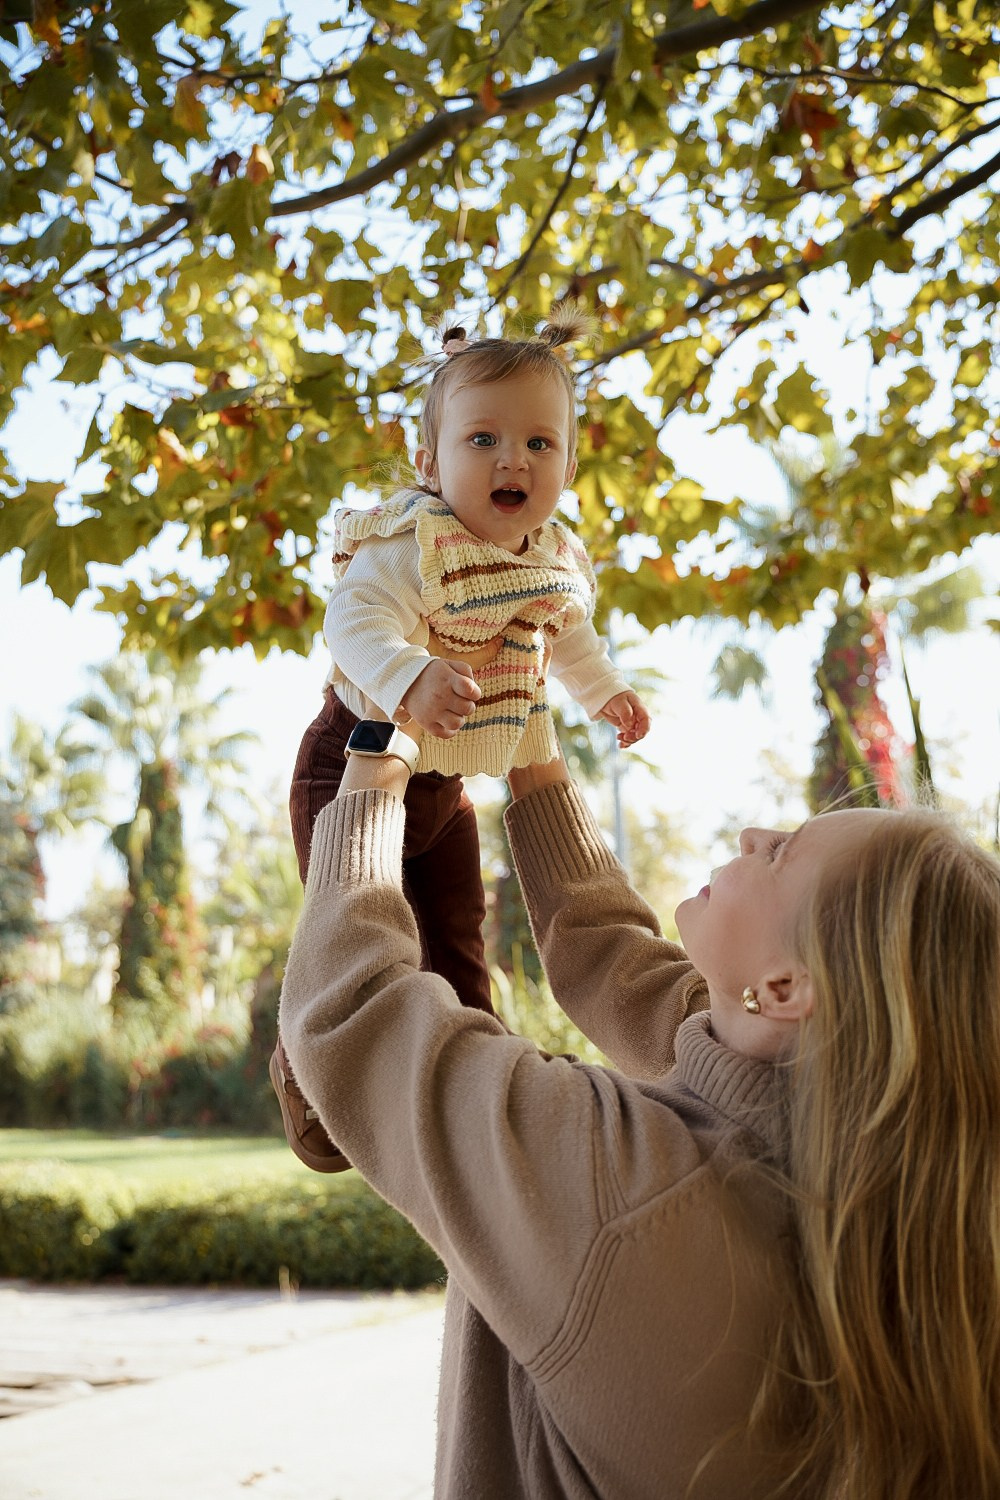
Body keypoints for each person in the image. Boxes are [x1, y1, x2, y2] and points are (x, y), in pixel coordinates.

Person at [276, 725, 1000, 1499]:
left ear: (787, 988)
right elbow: (618, 962)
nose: (756, 835)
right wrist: (525, 738)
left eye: (782, 853)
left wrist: (377, 750)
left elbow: (354, 1017)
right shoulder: (851, 1158)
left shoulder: (631, 1201)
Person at [270, 312, 651, 1171]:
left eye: (539, 443)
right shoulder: (416, 544)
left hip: (445, 790)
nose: (513, 459)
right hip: (351, 769)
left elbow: (570, 639)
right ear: (430, 464)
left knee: (456, 938)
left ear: (568, 467)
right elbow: (352, 619)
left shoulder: (550, 560)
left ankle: (477, 1090)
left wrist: (606, 692)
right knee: (350, 934)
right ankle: (308, 1073)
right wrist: (408, 676)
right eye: (482, 438)